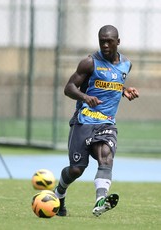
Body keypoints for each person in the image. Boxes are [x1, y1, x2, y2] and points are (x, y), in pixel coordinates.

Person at [54, 25, 139, 217]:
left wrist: (123, 90)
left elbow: (114, 80)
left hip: (107, 122)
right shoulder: (89, 63)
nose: (105, 45)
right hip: (84, 120)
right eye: (102, 41)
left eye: (109, 41)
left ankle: (100, 200)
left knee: (106, 156)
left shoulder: (126, 64)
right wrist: (85, 97)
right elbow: (69, 88)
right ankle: (59, 193)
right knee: (76, 169)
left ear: (118, 42)